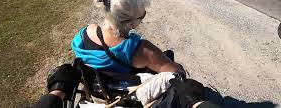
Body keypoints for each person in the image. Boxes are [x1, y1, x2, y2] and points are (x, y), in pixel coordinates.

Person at [71, 0, 185, 75]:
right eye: (142, 16)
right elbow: (176, 71)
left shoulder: (84, 33)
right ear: (132, 23)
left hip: (98, 90)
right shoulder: (140, 49)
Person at [33, 64, 220, 108]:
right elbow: (172, 71)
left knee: (66, 72)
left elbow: (69, 71)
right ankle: (194, 103)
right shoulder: (136, 44)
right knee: (176, 76)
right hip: (130, 87)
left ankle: (57, 93)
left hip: (98, 84)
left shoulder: (83, 38)